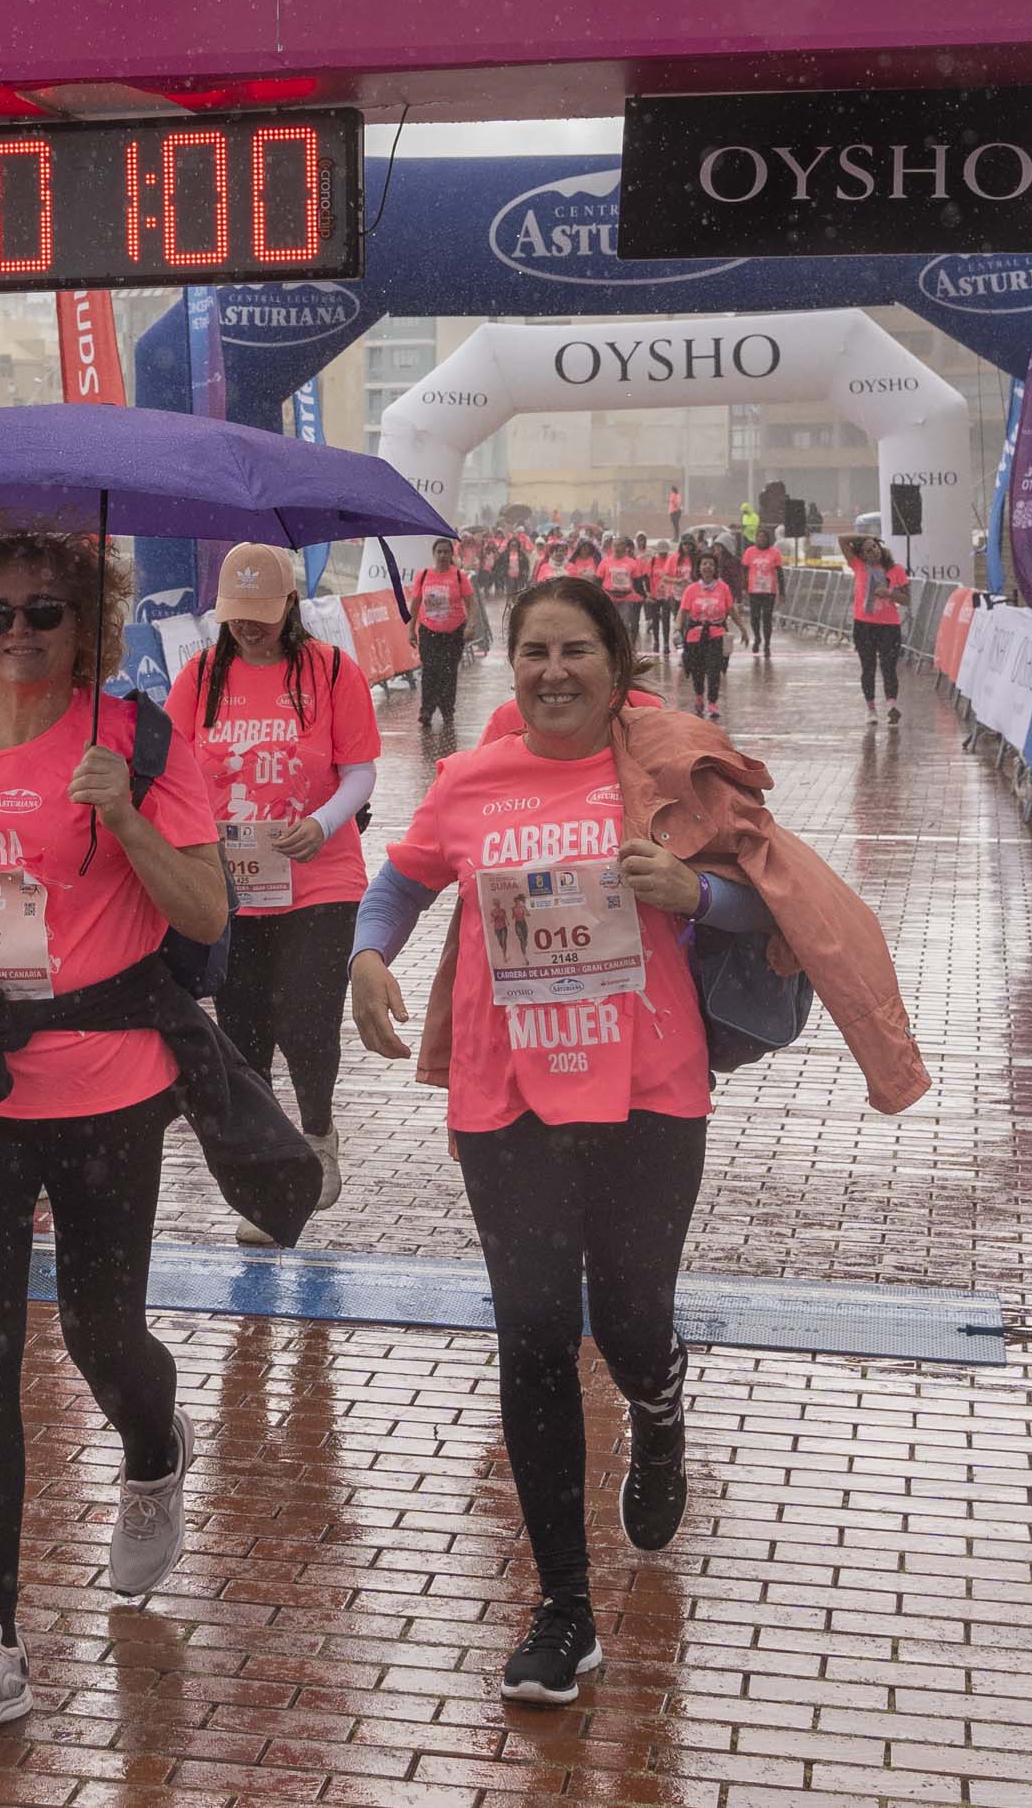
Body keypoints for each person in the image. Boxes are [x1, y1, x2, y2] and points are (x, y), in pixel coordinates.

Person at [348, 576, 932, 1704]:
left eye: (574, 651)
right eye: (532, 652)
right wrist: (370, 954)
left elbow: (779, 901)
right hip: (506, 1094)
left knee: (624, 1318)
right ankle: (562, 1607)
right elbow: (404, 881)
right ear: (507, 666)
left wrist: (691, 894)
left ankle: (658, 1404)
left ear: (617, 669)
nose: (552, 671)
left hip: (646, 1091)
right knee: (528, 1333)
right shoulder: (470, 781)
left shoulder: (666, 772)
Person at [0, 529, 287, 1734]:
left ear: (90, 626)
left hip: (103, 1079)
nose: (18, 635)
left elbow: (203, 905)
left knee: (96, 1330)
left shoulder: (133, 740)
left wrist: (124, 818)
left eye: (45, 614)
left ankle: (152, 1444)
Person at [175, 544, 378, 1244]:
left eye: (261, 616)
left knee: (308, 1016)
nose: (248, 629)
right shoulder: (199, 677)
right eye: (236, 616)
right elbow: (172, 769)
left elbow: (360, 770)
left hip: (320, 876)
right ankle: (264, 1176)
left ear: (289, 607)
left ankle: (317, 1131)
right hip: (233, 883)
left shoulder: (329, 670)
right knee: (244, 1030)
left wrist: (322, 823)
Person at [406, 543, 475, 746]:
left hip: (453, 633)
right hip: (429, 631)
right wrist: (411, 630)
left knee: (448, 672)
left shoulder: (459, 576)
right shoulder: (424, 575)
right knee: (429, 671)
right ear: (434, 554)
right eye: (439, 552)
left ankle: (447, 710)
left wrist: (471, 626)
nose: (443, 555)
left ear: (451, 554)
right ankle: (426, 710)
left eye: (446, 552)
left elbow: (471, 603)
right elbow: (416, 603)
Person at [847, 534, 913, 720]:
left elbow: (907, 600)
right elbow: (842, 540)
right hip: (864, 625)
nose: (874, 551)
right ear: (862, 555)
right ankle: (871, 709)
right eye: (868, 550)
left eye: (875, 546)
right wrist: (865, 536)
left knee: (889, 667)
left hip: (889, 626)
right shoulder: (858, 566)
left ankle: (892, 707)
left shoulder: (895, 570)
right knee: (868, 667)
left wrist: (889, 593)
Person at [676, 554, 737, 716]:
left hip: (717, 634)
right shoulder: (691, 589)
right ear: (699, 568)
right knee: (697, 670)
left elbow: (731, 610)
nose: (707, 567)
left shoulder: (723, 588)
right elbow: (682, 612)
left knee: (714, 669)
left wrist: (742, 628)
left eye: (711, 564)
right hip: (694, 636)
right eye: (704, 564)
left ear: (715, 568)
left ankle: (712, 702)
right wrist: (677, 630)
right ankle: (698, 698)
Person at [740, 531, 785, 659]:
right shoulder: (749, 551)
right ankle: (757, 638)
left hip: (769, 591)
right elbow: (744, 570)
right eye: (759, 537)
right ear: (756, 539)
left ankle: (767, 645)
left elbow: (780, 573)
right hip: (754, 590)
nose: (761, 540)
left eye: (764, 537)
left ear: (768, 539)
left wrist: (782, 592)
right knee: (754, 617)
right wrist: (743, 588)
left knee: (766, 618)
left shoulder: (774, 552)